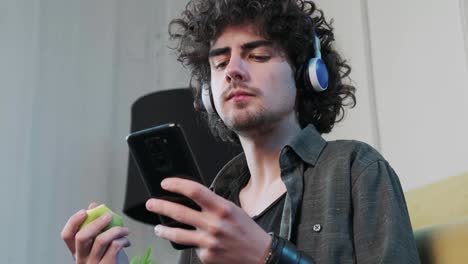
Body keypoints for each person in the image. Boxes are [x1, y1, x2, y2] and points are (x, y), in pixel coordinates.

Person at [61, 0, 421, 263]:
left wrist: (267, 256)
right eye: (219, 63)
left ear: (307, 73)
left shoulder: (355, 169)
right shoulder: (211, 205)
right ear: (208, 93)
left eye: (258, 55)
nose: (232, 69)